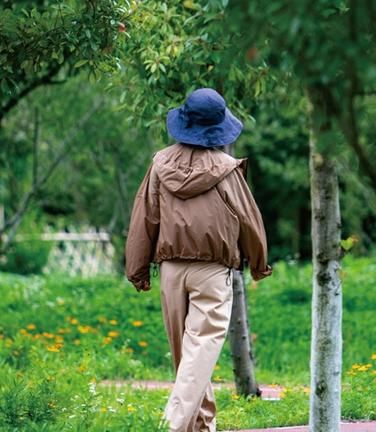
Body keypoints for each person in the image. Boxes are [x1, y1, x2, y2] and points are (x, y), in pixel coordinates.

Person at [125, 88, 272, 432]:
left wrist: (137, 268)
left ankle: (202, 427)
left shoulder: (160, 163)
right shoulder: (226, 169)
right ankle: (171, 426)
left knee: (189, 359)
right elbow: (249, 218)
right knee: (197, 356)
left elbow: (144, 217)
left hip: (172, 272)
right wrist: (258, 262)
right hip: (212, 271)